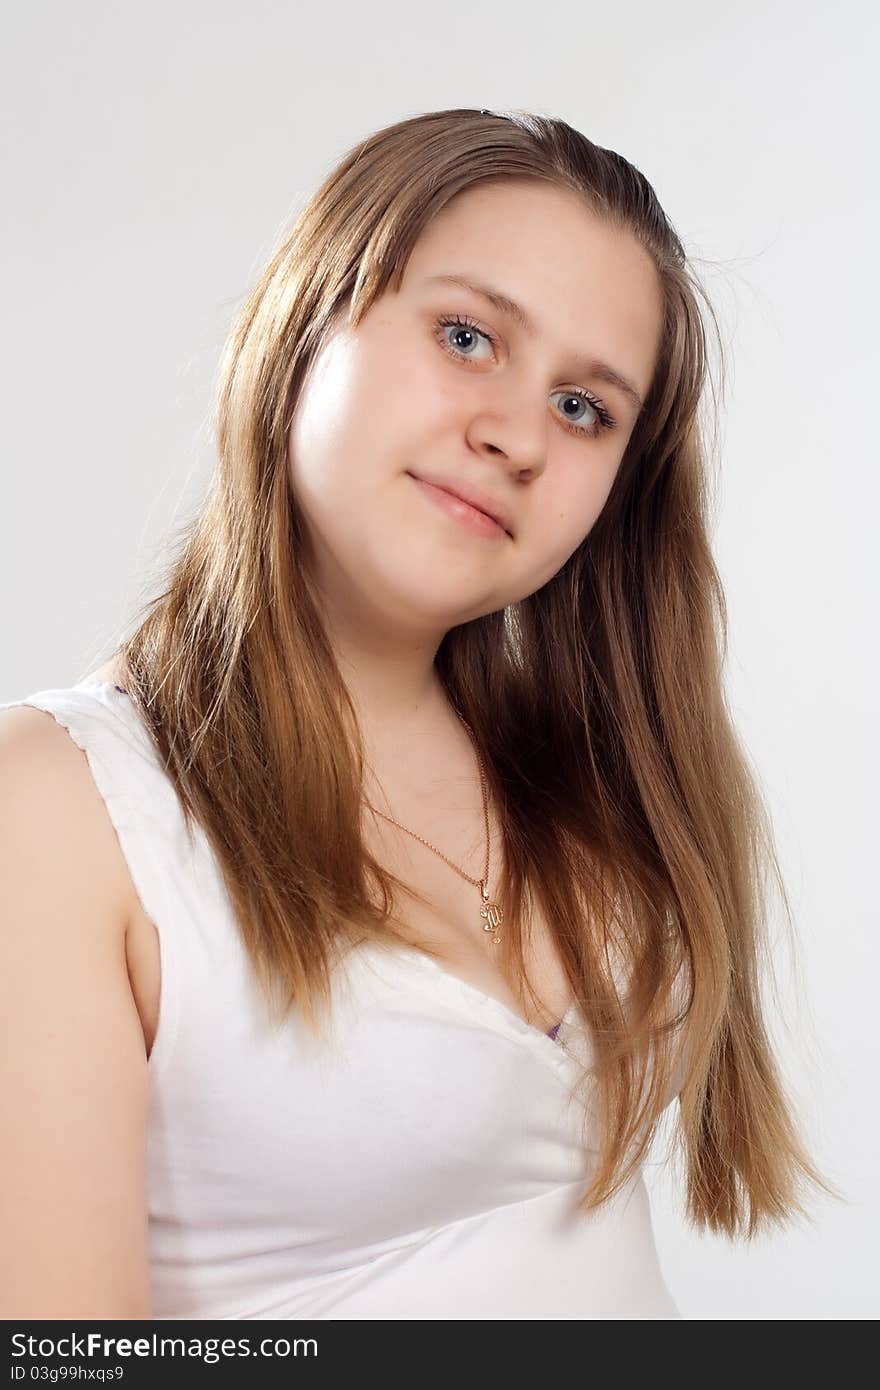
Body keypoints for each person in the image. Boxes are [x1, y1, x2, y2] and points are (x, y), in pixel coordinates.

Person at [0, 107, 834, 1321]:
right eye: (466, 335)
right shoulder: (61, 810)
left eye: (585, 409)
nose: (513, 436)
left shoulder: (584, 775)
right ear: (306, 322)